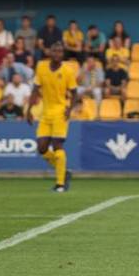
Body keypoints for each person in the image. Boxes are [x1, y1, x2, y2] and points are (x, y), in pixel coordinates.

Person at [26, 43, 78, 192]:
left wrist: (69, 109)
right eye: (54, 50)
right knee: (41, 148)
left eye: (60, 51)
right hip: (45, 113)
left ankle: (60, 184)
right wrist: (29, 110)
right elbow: (35, 90)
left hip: (60, 113)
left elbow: (75, 93)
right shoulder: (41, 67)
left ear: (63, 54)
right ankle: (64, 171)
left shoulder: (68, 71)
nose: (57, 53)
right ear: (50, 52)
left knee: (57, 147)